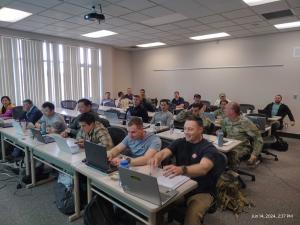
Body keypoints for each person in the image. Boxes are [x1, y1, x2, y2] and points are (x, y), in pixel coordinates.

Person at [150, 116, 225, 225]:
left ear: (200, 130)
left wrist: (182, 169)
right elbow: (164, 152)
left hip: (202, 191)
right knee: (156, 202)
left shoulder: (209, 148)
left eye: (190, 129)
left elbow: (204, 168)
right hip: (180, 186)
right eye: (185, 129)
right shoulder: (180, 142)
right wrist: (157, 157)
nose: (186, 132)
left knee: (193, 215)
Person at [221, 102, 263, 166]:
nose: (224, 110)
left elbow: (258, 138)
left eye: (226, 108)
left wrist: (254, 154)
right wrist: (219, 132)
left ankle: (232, 173)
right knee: (214, 153)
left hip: (242, 147)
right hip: (228, 145)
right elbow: (223, 132)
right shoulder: (225, 120)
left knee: (231, 156)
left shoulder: (245, 122)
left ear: (232, 111)